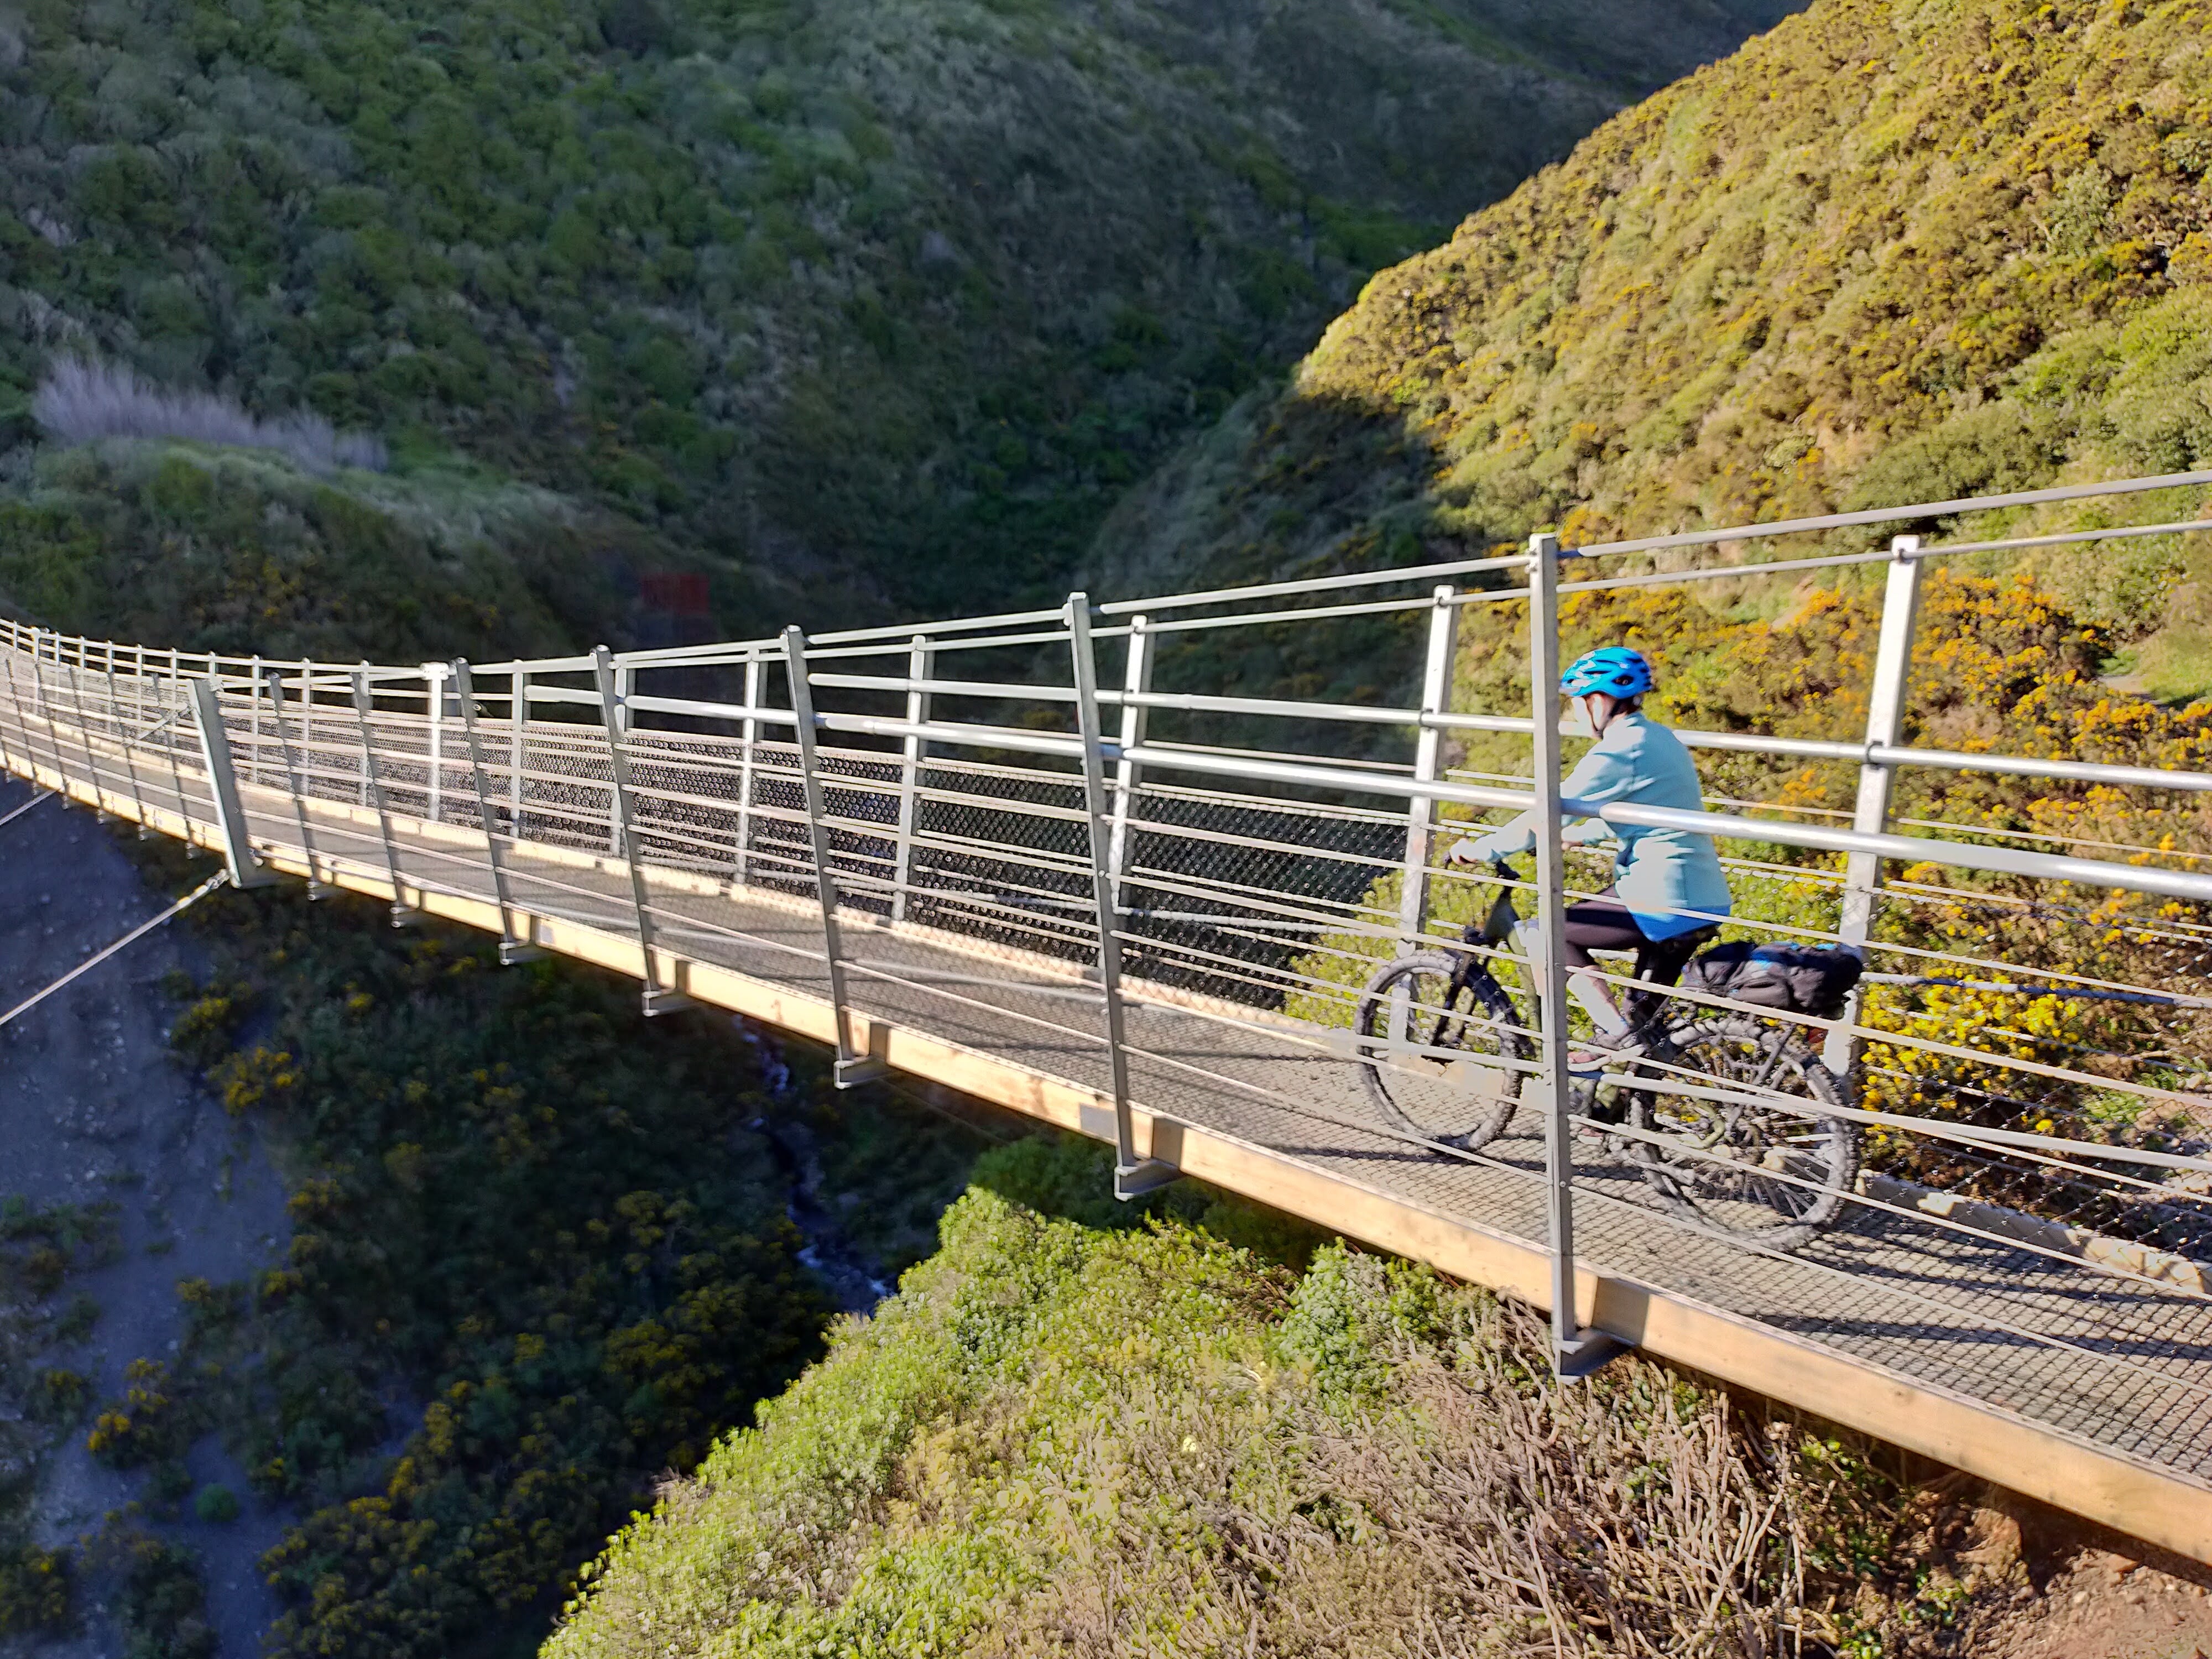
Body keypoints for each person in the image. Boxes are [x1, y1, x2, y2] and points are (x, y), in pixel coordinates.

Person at [1447, 646, 1731, 1072]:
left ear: (1598, 700)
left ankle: (1613, 1033)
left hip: (1662, 893)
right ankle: (1618, 1109)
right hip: (1702, 893)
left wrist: (1480, 847)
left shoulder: (1621, 748)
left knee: (1546, 934)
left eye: (1576, 703)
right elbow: (1640, 807)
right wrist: (1579, 835)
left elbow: (1547, 808)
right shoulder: (1659, 737)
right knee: (1644, 1034)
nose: (1576, 715)